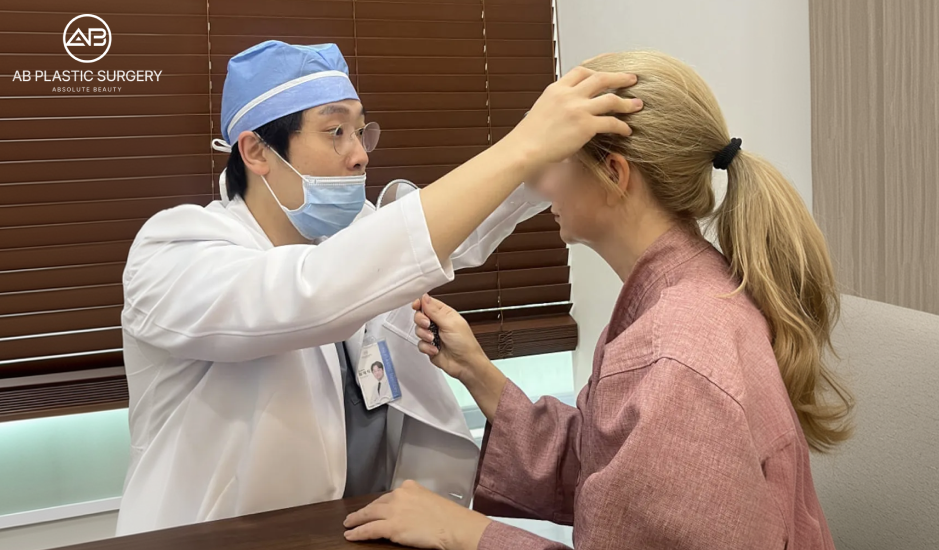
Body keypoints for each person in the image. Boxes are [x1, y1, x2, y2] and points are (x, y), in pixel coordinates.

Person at [116, 40, 640, 535]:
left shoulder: (352, 235)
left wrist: (543, 164)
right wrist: (521, 147)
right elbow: (314, 293)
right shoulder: (174, 252)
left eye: (361, 132)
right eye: (335, 132)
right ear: (255, 151)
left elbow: (436, 240)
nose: (360, 155)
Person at [344, 50, 855, 550]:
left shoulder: (673, 356)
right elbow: (611, 462)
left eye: (554, 161)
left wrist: (467, 533)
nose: (541, 184)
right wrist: (479, 371)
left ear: (614, 174)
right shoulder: (692, 287)